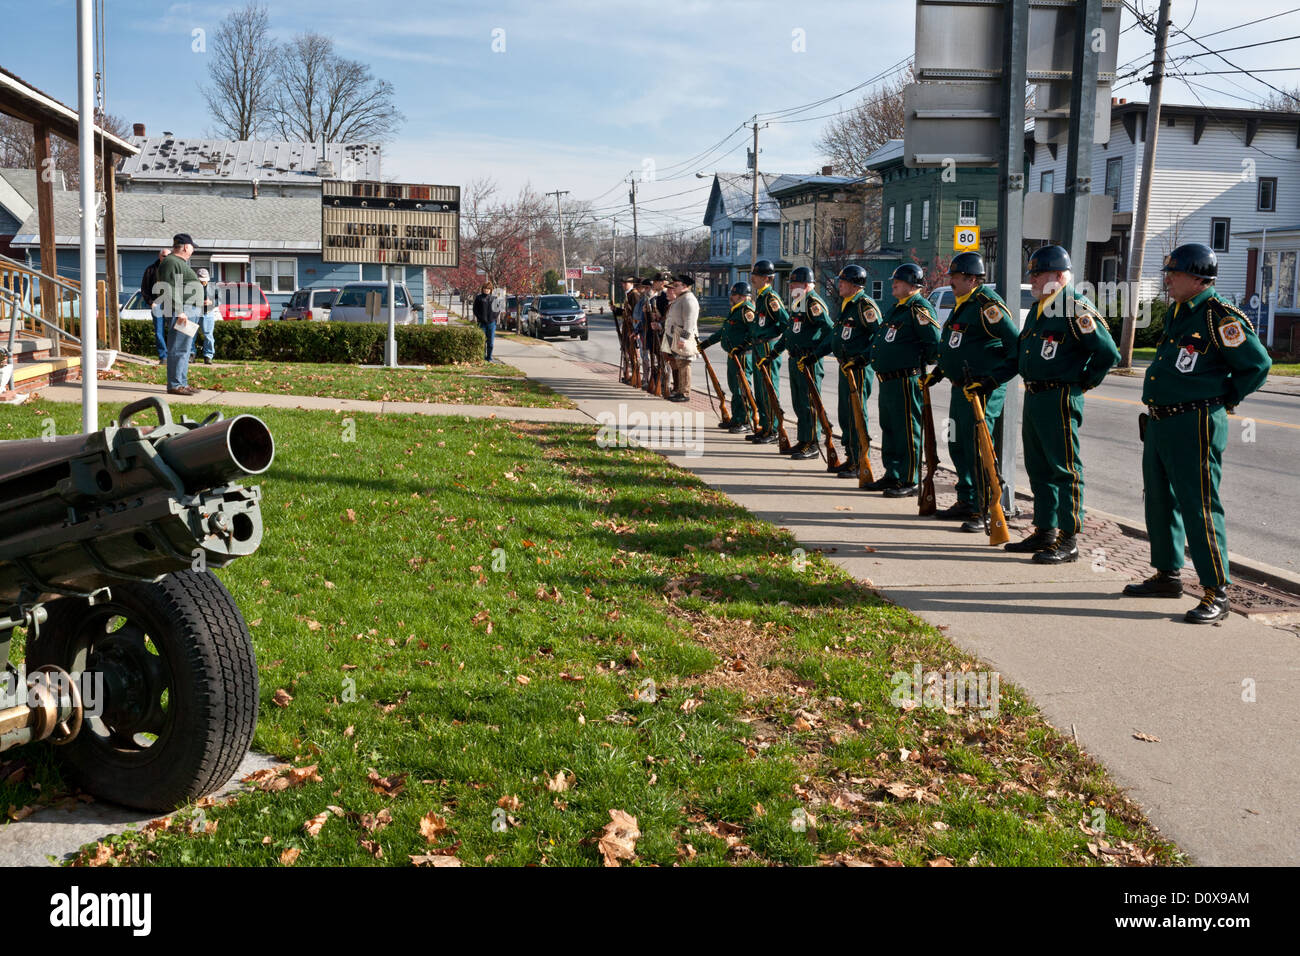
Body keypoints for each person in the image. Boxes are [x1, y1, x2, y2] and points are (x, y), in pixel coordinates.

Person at [1122, 243, 1272, 623]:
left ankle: (1215, 590)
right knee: (1159, 500)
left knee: (1199, 504)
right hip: (1160, 421)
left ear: (1198, 278)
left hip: (1195, 423)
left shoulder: (1218, 317)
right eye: (1168, 272)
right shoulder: (1180, 312)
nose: (1167, 279)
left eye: (1175, 273)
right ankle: (1167, 574)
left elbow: (1257, 364)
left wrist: (1224, 398)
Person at [1005, 245, 1120, 563]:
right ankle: (1045, 531)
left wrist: (1084, 382)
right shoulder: (1043, 308)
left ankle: (1069, 538)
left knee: (1064, 469)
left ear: (1058, 275)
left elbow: (1108, 353)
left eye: (1038, 273)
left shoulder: (1074, 307)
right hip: (1035, 395)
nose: (1032, 279)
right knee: (1038, 467)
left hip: (1059, 397)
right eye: (1031, 273)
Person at [924, 251, 1019, 531]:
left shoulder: (987, 306)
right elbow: (954, 345)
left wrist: (993, 379)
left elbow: (1015, 347)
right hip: (960, 390)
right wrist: (940, 371)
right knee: (957, 444)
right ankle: (967, 500)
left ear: (971, 279)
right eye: (951, 276)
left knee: (979, 448)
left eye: (955, 276)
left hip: (982, 391)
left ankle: (986, 507)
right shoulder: (962, 305)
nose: (951, 281)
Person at [868, 263, 941, 495]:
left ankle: (909, 479)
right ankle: (893, 474)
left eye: (898, 281)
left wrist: (918, 363)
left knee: (907, 430)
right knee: (889, 428)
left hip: (905, 379)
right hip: (888, 380)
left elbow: (933, 344)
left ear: (912, 284)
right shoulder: (897, 308)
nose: (893, 284)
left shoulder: (919, 308)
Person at [816, 264, 880, 476]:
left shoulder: (864, 306)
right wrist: (814, 355)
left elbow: (878, 337)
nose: (839, 284)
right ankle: (851, 457)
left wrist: (863, 358)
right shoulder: (847, 305)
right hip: (845, 367)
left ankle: (861, 461)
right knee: (845, 414)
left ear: (854, 284)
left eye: (843, 281)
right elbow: (835, 337)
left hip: (858, 368)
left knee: (856, 414)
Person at [769, 266, 833, 460]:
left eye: (794, 284)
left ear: (805, 285)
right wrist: (774, 352)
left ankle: (813, 443)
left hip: (808, 360)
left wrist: (816, 352)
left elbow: (830, 330)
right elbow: (790, 333)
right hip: (796, 358)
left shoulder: (813, 302)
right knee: (799, 402)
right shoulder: (799, 303)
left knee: (809, 403)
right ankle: (804, 440)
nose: (790, 288)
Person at [699, 282, 756, 433]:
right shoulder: (735, 310)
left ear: (742, 296)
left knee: (742, 388)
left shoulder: (746, 310)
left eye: (734, 294)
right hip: (733, 355)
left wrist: (742, 346)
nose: (731, 297)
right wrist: (706, 343)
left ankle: (745, 420)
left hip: (742, 355)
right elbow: (724, 332)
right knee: (734, 388)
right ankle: (737, 418)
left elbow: (754, 332)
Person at [154, 233, 202, 395]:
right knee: (178, 347)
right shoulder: (171, 262)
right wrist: (180, 311)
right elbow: (169, 288)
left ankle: (182, 382)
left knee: (185, 348)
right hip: (182, 310)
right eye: (192, 247)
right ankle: (175, 384)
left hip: (189, 309)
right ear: (186, 247)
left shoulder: (178, 263)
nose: (193, 250)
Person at [747, 259, 790, 445]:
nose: (752, 278)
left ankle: (772, 428)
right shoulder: (762, 297)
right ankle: (764, 426)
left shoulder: (772, 298)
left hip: (767, 347)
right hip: (758, 346)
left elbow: (785, 323)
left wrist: (769, 337)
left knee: (768, 388)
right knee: (760, 390)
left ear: (766, 278)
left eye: (756, 275)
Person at [661, 273, 699, 402]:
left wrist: (683, 339)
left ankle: (685, 392)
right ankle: (679, 390)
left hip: (682, 336)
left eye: (676, 285)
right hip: (674, 335)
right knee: (679, 364)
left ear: (685, 286)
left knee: (684, 365)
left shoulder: (689, 299)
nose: (674, 287)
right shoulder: (681, 298)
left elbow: (689, 322)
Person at [140, 247, 170, 364]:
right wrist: (150, 302)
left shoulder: (173, 269)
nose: (166, 258)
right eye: (164, 255)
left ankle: (173, 355)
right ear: (159, 256)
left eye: (168, 256)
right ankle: (163, 356)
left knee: (174, 330)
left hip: (170, 304)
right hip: (157, 304)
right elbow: (144, 288)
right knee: (159, 331)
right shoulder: (151, 270)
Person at [190, 268, 219, 365]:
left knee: (208, 335)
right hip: (194, 312)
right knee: (191, 334)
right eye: (201, 280)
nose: (203, 282)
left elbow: (219, 299)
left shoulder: (213, 287)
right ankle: (191, 354)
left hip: (208, 313)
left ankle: (208, 356)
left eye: (204, 280)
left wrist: (212, 302)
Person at [472, 282, 498, 362]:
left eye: (488, 289)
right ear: (482, 289)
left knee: (490, 342)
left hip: (491, 323)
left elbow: (497, 310)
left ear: (491, 290)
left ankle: (489, 357)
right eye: (485, 288)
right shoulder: (479, 298)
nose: (486, 290)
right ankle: (482, 357)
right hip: (482, 323)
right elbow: (475, 309)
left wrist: (493, 318)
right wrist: (480, 318)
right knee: (482, 341)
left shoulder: (494, 298)